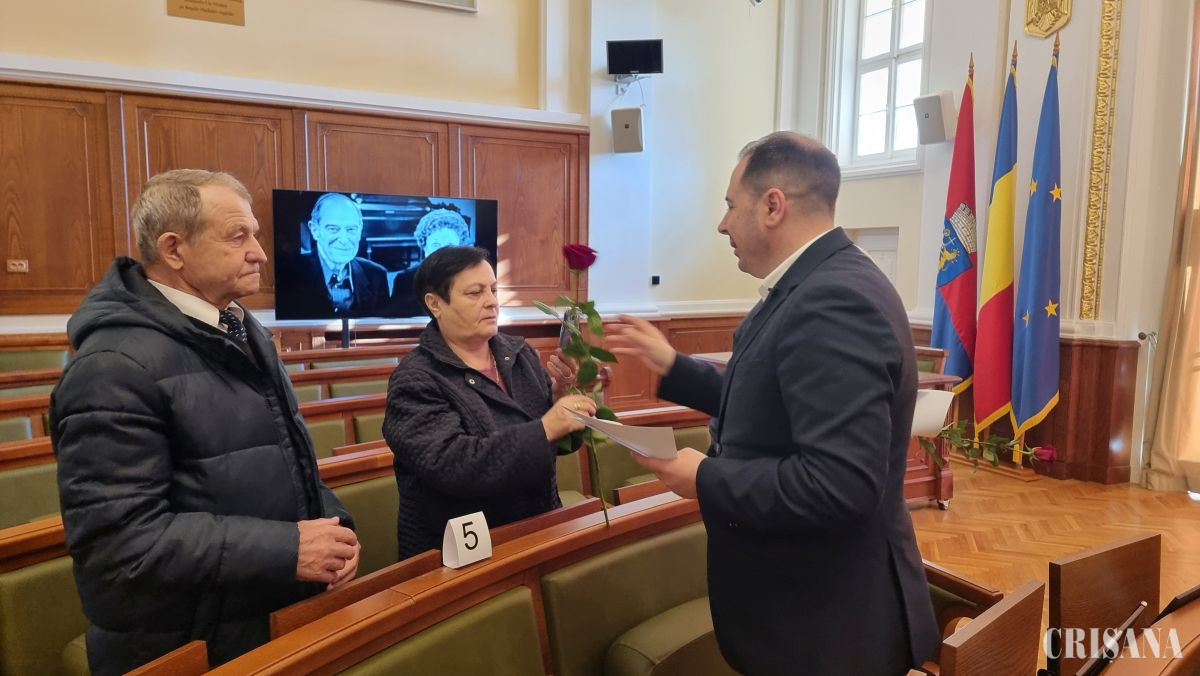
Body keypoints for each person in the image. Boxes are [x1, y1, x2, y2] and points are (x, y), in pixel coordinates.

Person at [608, 132, 939, 675]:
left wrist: (703, 476)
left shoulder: (833, 299)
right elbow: (771, 402)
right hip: (808, 611)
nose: (722, 224)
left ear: (772, 206)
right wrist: (672, 365)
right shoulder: (813, 283)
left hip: (827, 627)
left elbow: (838, 485)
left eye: (729, 205)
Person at [50, 170, 361, 675]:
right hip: (184, 645)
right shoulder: (111, 367)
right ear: (174, 249)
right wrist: (289, 549)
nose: (259, 253)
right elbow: (119, 545)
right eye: (238, 236)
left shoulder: (239, 327)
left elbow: (284, 456)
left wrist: (334, 528)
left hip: (259, 620)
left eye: (255, 234)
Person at [382, 246, 595, 560]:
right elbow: (456, 466)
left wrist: (561, 397)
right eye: (475, 292)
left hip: (538, 527)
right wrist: (547, 427)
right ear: (435, 303)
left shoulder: (519, 354)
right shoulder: (414, 379)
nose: (492, 301)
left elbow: (557, 446)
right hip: (460, 552)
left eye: (493, 290)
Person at [293, 192, 390, 316]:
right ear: (314, 230)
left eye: (351, 229)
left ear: (360, 230)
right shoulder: (291, 274)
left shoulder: (377, 275)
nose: (344, 240)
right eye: (333, 229)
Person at [390, 208, 473, 303]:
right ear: (425, 248)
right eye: (435, 245)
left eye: (449, 245)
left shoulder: (471, 278)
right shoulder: (405, 280)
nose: (442, 252)